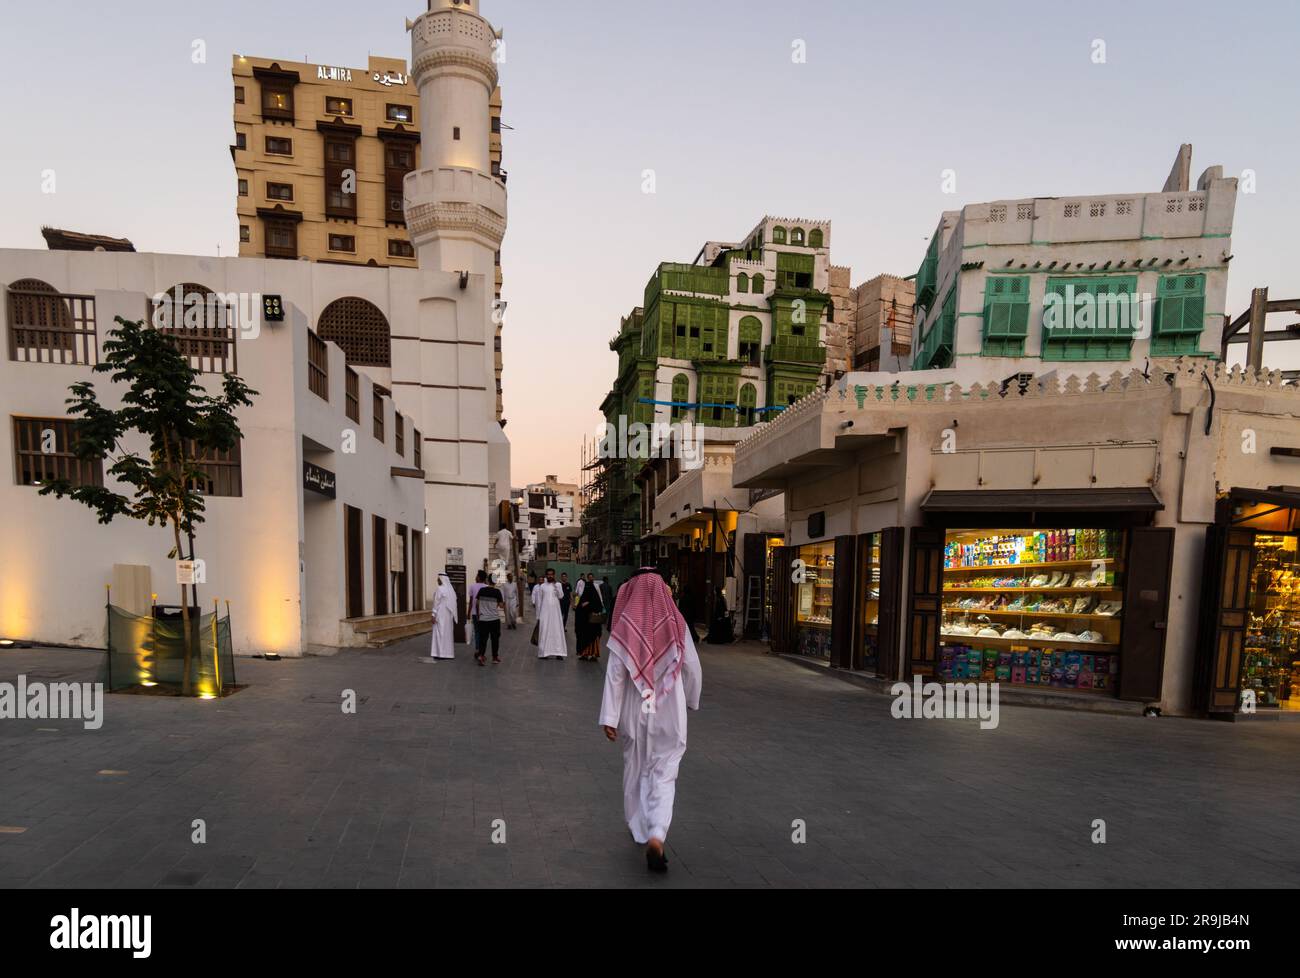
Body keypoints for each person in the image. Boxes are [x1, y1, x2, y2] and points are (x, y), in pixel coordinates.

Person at [599, 569, 703, 873]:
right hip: (669, 709)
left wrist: (609, 716)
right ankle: (658, 832)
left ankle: (640, 828)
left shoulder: (625, 627)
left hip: (635, 709)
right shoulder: (677, 624)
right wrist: (691, 700)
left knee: (636, 767)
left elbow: (616, 675)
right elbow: (693, 669)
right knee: (665, 771)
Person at [532, 569, 568, 659]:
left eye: (551, 574)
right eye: (548, 575)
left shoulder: (558, 584)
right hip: (544, 613)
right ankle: (544, 653)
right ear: (546, 575)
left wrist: (556, 586)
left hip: (556, 613)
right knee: (544, 631)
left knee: (557, 631)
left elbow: (561, 596)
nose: (550, 576)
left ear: (554, 575)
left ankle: (559, 653)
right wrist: (538, 615)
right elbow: (539, 601)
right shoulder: (542, 586)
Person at [474, 577, 505, 666]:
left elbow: (477, 603)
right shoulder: (497, 592)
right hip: (494, 619)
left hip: (483, 619)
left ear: (488, 581)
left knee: (483, 639)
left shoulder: (481, 590)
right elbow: (501, 606)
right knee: (495, 639)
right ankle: (495, 657)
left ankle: (481, 656)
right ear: (495, 582)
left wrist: (479, 614)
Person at [574, 572, 605, 662]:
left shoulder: (595, 596)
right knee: (583, 637)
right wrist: (581, 605)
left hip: (593, 624)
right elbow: (579, 609)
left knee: (593, 637)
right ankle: (584, 654)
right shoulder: (583, 597)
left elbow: (598, 605)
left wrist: (589, 604)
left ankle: (594, 654)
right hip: (584, 623)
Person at [429, 573, 458, 661]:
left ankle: (440, 653)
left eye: (438, 579)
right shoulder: (451, 590)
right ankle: (447, 654)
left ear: (442, 579)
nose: (437, 580)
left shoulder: (440, 589)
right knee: (447, 634)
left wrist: (433, 615)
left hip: (440, 615)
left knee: (439, 633)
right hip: (448, 616)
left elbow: (436, 603)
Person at [467, 570, 488, 655]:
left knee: (477, 632)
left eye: (476, 575)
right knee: (484, 632)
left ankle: (477, 649)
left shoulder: (472, 586)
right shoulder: (487, 587)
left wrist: (468, 613)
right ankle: (482, 650)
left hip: (475, 613)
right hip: (485, 614)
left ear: (479, 577)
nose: (475, 577)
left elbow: (471, 601)